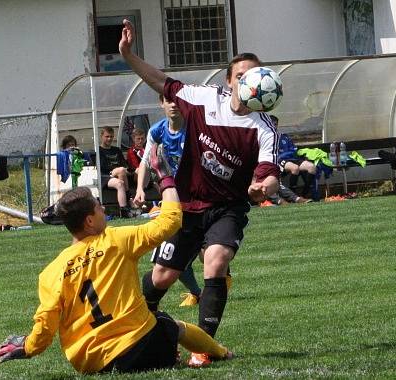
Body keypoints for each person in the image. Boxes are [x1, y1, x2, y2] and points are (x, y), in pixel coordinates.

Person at [119, 19, 279, 367]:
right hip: (187, 206)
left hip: (228, 208)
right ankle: (134, 328)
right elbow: (161, 81)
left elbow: (270, 177)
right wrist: (129, 55)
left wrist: (261, 187)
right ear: (229, 81)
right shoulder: (205, 99)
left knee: (216, 262)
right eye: (242, 76)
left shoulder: (263, 126)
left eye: (255, 75)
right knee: (163, 276)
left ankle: (203, 348)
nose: (249, 81)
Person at [0, 145, 233, 374]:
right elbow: (171, 220)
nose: (103, 210)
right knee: (168, 324)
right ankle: (221, 352)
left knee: (157, 324)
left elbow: (46, 324)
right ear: (89, 221)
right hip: (141, 348)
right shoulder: (116, 239)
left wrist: (27, 346)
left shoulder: (51, 272)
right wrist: (164, 176)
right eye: (99, 207)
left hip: (90, 361)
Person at [134, 94, 201, 307]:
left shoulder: (194, 129)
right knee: (168, 254)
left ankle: (215, 283)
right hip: (174, 199)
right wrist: (139, 189)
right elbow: (145, 162)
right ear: (161, 103)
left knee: (205, 253)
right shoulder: (157, 131)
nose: (173, 104)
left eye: (177, 100)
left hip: (199, 199)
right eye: (168, 100)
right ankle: (197, 292)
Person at [270, 115, 317, 199]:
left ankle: (304, 194)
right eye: (272, 124)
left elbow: (293, 149)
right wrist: (283, 155)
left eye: (275, 124)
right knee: (295, 168)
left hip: (292, 158)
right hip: (279, 160)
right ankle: (294, 196)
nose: (274, 125)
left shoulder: (284, 136)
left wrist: (288, 153)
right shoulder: (268, 138)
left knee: (311, 167)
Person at [99, 126, 133, 218]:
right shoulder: (98, 151)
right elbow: (101, 168)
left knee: (120, 183)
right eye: (107, 136)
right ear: (101, 136)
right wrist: (118, 170)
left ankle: (124, 211)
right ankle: (130, 198)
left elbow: (124, 165)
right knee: (120, 170)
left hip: (119, 174)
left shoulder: (117, 150)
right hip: (105, 176)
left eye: (111, 136)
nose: (109, 139)